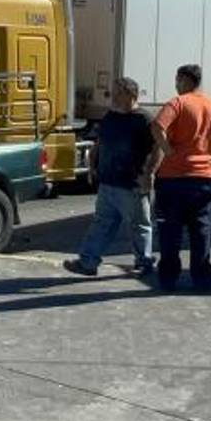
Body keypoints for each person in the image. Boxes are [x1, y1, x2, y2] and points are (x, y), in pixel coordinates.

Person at [147, 64, 211, 291]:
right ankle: (202, 279)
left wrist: (169, 151)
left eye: (177, 79)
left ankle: (168, 279)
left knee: (170, 232)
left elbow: (157, 127)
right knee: (201, 231)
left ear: (185, 80)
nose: (175, 83)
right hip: (205, 179)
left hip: (174, 178)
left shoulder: (178, 103)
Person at [63, 77, 155, 277]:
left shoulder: (144, 119)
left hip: (132, 184)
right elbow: (99, 142)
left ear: (131, 95)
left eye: (118, 93)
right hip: (108, 182)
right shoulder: (111, 117)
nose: (113, 97)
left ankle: (144, 262)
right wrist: (92, 165)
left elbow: (158, 149)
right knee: (102, 223)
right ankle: (88, 261)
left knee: (138, 225)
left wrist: (148, 174)